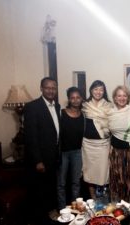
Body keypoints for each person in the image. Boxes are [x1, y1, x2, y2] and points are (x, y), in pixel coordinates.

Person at [23, 77, 60, 224]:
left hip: (54, 156)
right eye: (47, 88)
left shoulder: (56, 106)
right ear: (41, 88)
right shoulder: (32, 107)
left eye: (53, 88)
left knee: (51, 186)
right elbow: (31, 136)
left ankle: (51, 211)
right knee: (41, 189)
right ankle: (41, 217)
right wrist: (38, 160)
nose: (51, 90)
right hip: (41, 158)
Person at [108, 85, 130, 203]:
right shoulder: (110, 113)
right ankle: (117, 209)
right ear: (115, 98)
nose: (122, 98)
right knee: (117, 181)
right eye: (119, 95)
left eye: (124, 95)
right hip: (115, 153)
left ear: (128, 97)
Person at [81, 80, 112, 199]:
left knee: (103, 172)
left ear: (104, 91)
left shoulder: (109, 106)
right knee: (89, 173)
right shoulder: (85, 105)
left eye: (101, 89)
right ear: (91, 90)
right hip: (87, 145)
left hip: (103, 144)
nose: (98, 92)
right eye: (96, 89)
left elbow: (112, 124)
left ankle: (104, 198)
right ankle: (93, 198)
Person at [57, 87, 84, 210]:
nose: (75, 100)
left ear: (81, 98)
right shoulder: (61, 113)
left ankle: (76, 209)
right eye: (72, 97)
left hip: (78, 153)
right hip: (63, 153)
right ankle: (62, 209)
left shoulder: (83, 114)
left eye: (78, 97)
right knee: (61, 184)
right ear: (69, 99)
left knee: (76, 183)